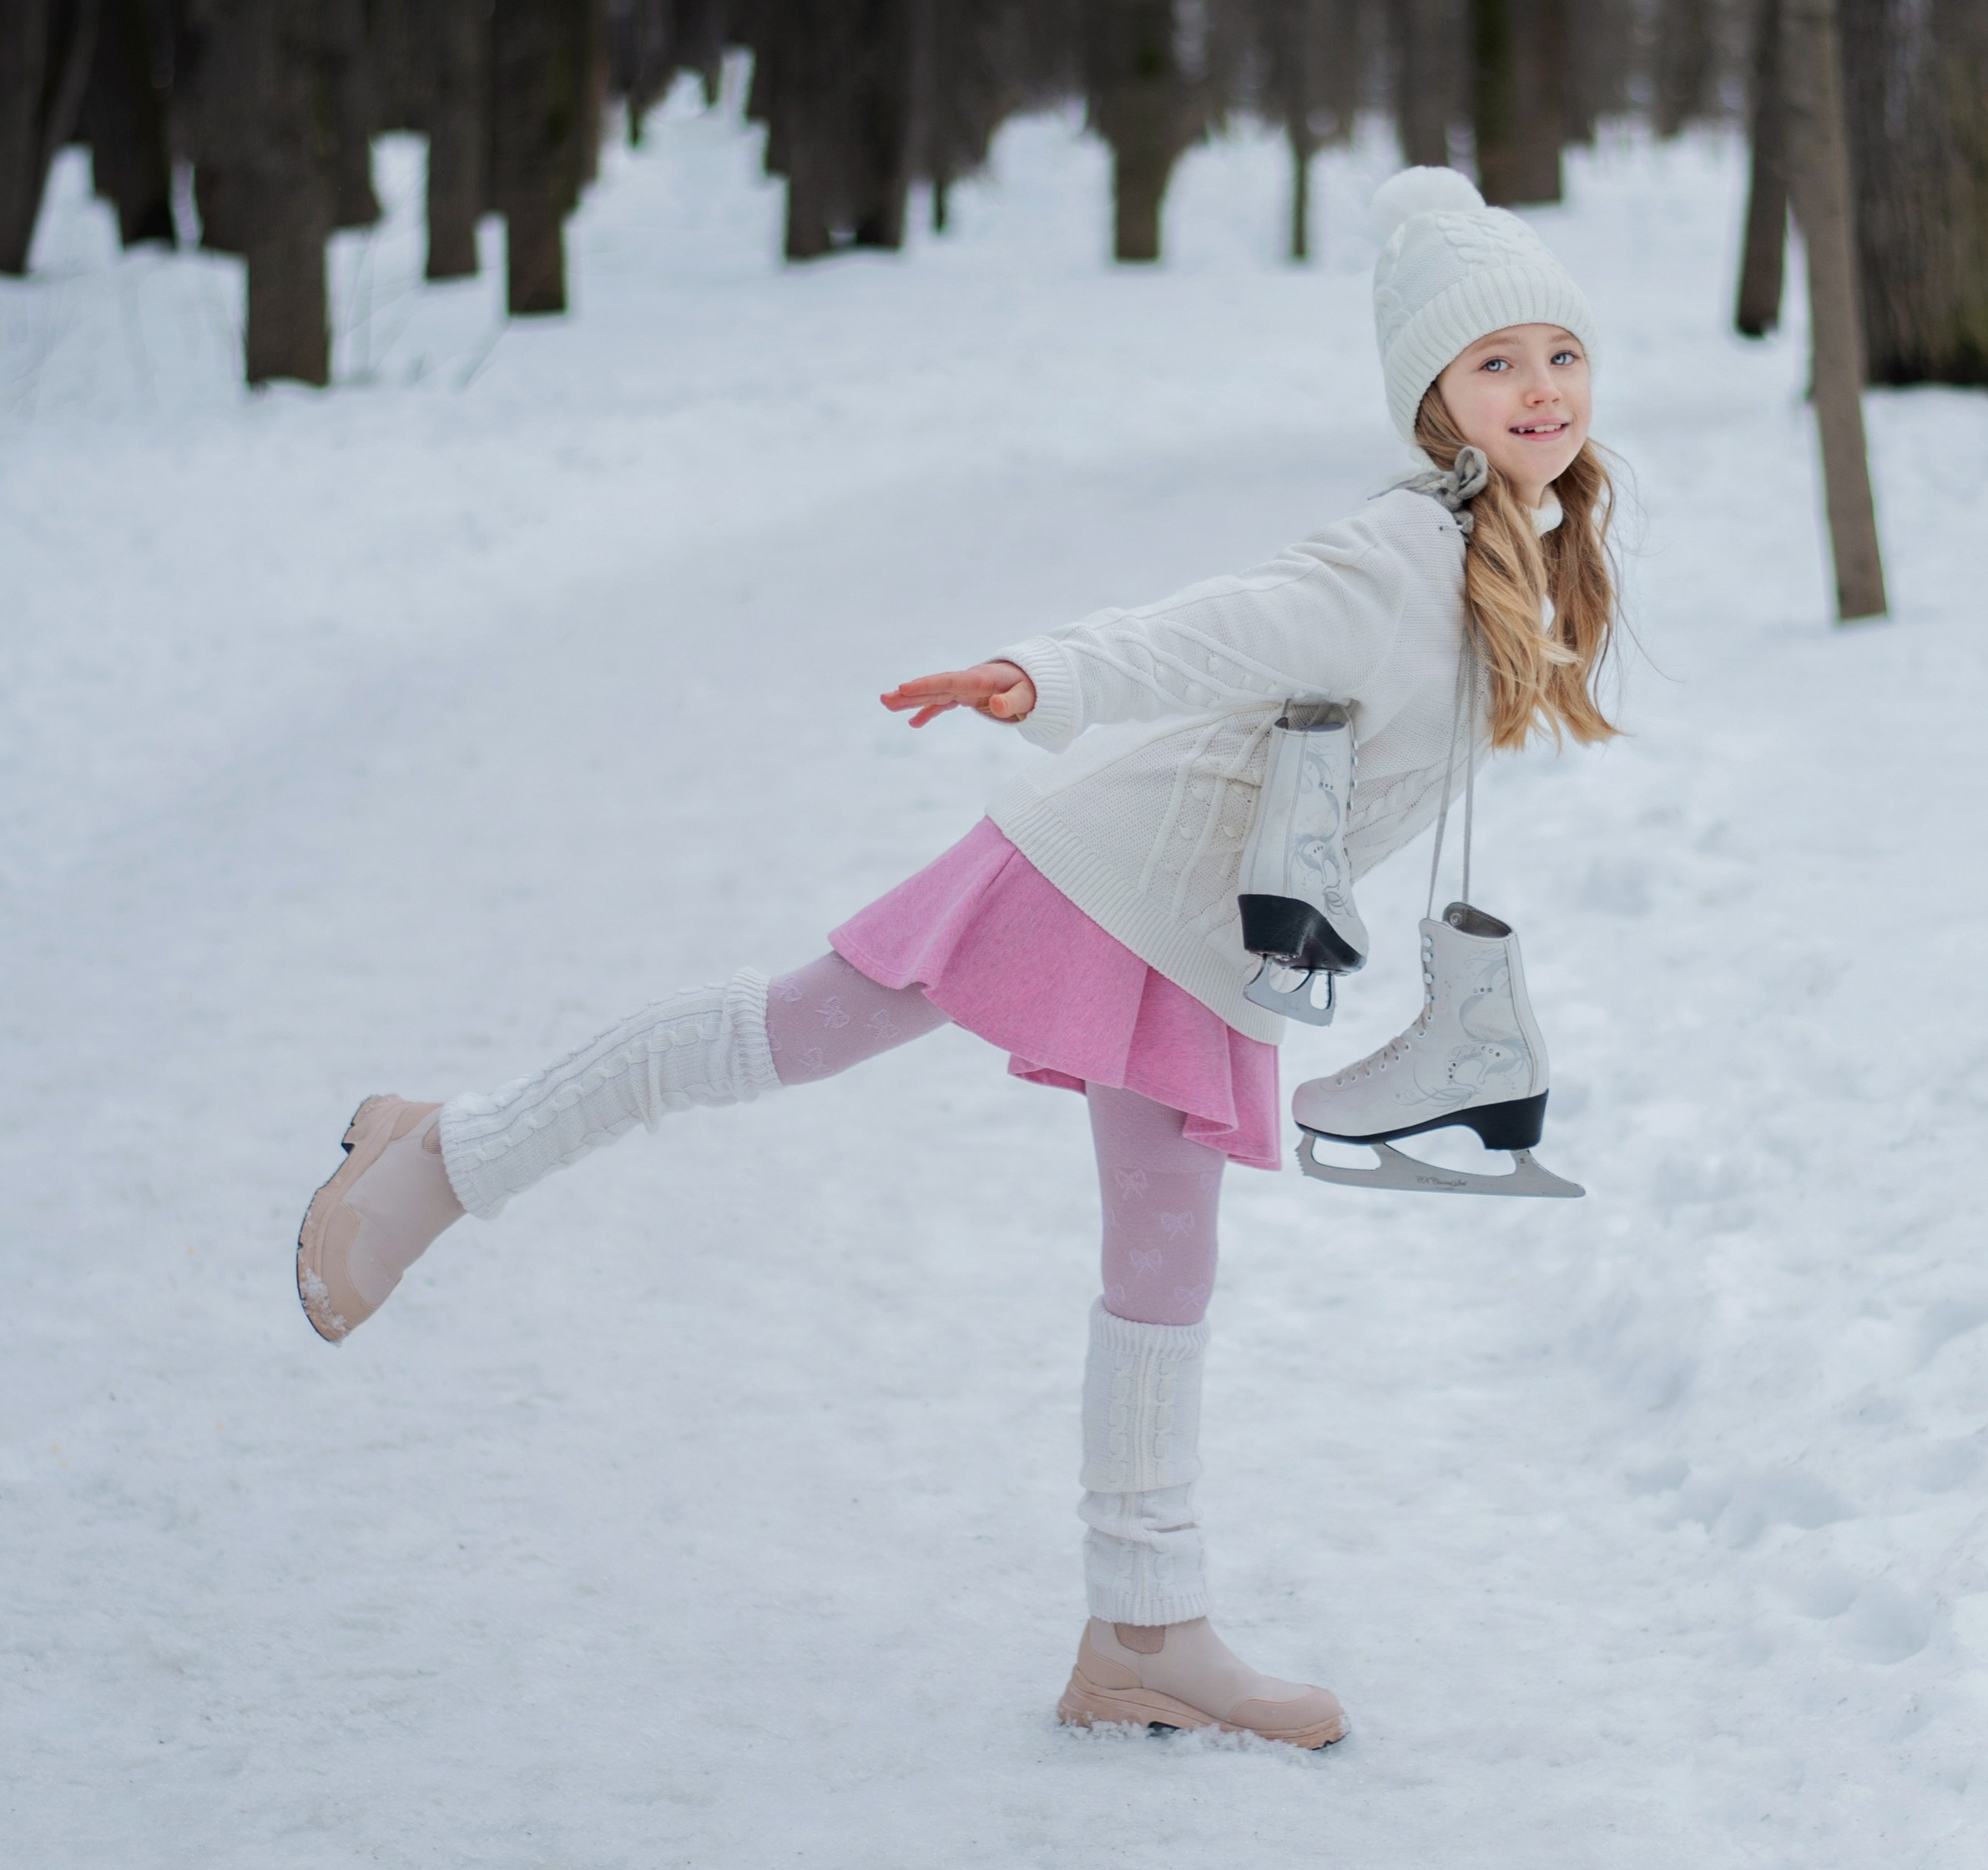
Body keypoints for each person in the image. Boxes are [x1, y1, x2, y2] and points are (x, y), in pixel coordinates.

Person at [295, 168, 1621, 1747]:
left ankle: (1142, 1628)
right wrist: (1034, 674)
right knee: (791, 1032)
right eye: (1496, 363)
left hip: (1204, 938)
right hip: (1097, 870)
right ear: (1433, 402)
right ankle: (450, 1151)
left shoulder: (1527, 549)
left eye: (1561, 355)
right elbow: (1215, 627)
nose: (1539, 388)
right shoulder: (1396, 554)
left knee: (1165, 1262)